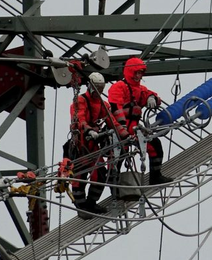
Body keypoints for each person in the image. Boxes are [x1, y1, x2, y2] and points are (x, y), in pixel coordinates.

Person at [108, 57, 165, 186]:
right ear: (130, 72)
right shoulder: (118, 87)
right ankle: (114, 187)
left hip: (134, 128)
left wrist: (152, 98)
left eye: (140, 73)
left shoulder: (140, 89)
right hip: (120, 130)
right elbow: (116, 108)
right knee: (117, 158)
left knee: (155, 145)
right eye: (136, 72)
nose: (138, 76)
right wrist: (123, 129)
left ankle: (155, 177)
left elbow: (152, 95)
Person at [66, 72, 111, 214]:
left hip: (93, 146)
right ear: (91, 86)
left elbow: (112, 120)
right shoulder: (80, 101)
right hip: (80, 145)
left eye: (101, 87)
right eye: (97, 87)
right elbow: (79, 119)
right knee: (79, 176)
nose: (100, 90)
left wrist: (124, 133)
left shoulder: (103, 105)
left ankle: (91, 203)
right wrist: (89, 130)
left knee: (100, 173)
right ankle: (81, 207)